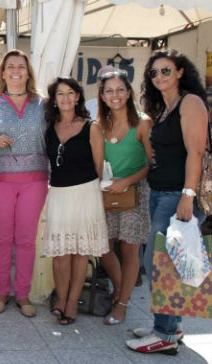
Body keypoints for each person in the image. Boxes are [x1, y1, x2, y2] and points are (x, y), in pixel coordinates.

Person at [126, 49, 208, 354]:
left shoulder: (191, 103)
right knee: (169, 262)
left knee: (159, 263)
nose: (159, 77)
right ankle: (170, 326)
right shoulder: (165, 108)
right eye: (154, 73)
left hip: (177, 195)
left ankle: (165, 334)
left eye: (166, 71)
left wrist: (188, 195)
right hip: (161, 193)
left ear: (180, 72)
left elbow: (196, 152)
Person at [0, 49, 48, 317]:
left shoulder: (43, 103)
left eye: (21, 67)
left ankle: (22, 294)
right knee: (2, 238)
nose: (15, 71)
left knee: (25, 239)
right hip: (0, 178)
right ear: (2, 72)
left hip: (35, 179)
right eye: (10, 66)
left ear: (28, 72)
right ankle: (2, 291)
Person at [43, 76, 108, 325]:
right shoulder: (49, 127)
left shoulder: (92, 127)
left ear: (78, 96)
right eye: (61, 94)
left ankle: (72, 302)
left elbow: (99, 167)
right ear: (55, 100)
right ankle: (60, 297)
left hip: (85, 193)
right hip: (58, 194)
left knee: (81, 252)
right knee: (60, 254)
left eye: (71, 93)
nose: (66, 98)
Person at [96, 71, 152, 325]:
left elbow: (153, 163)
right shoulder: (99, 124)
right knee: (103, 246)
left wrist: (127, 181)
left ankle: (122, 303)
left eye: (120, 89)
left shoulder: (142, 122)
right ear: (102, 95)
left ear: (129, 93)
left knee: (129, 248)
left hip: (134, 193)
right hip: (106, 194)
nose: (115, 95)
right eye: (109, 90)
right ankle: (120, 290)